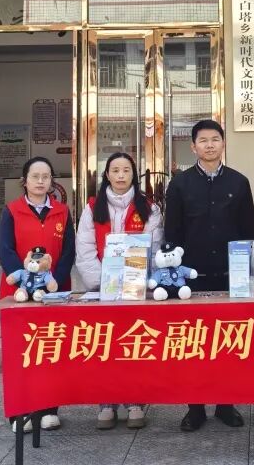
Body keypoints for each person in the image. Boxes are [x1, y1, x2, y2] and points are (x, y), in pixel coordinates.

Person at [164, 119, 254, 432]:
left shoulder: (239, 182)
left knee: (229, 342)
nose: (210, 145)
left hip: (230, 275)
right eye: (203, 140)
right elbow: (172, 234)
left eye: (215, 139)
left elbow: (248, 232)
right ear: (193, 147)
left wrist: (249, 273)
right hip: (192, 278)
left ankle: (226, 405)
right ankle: (195, 408)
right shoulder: (179, 184)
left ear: (223, 143)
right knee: (193, 344)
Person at [76, 151, 163, 430]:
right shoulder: (93, 207)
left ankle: (135, 401)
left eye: (126, 170)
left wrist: (134, 282)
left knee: (134, 343)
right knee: (105, 345)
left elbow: (153, 248)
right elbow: (85, 248)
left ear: (133, 174)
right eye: (115, 170)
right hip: (103, 291)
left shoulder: (149, 208)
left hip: (135, 289)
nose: (121, 175)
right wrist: (103, 284)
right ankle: (106, 402)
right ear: (107, 175)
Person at [0, 156, 74, 433]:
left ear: (52, 181)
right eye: (35, 176)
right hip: (18, 291)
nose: (41, 181)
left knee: (51, 348)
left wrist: (53, 282)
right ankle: (20, 412)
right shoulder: (12, 211)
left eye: (46, 176)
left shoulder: (62, 212)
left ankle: (49, 409)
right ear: (25, 180)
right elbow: (5, 250)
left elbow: (68, 252)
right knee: (20, 351)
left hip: (53, 292)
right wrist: (25, 281)